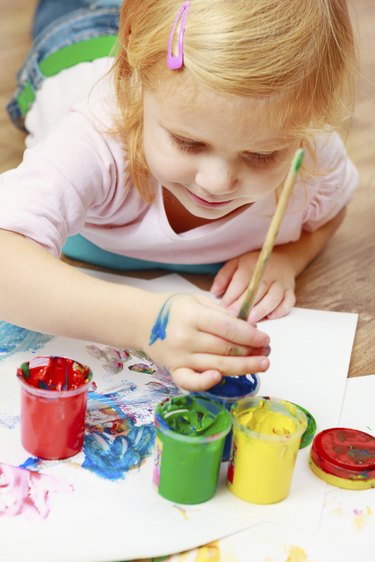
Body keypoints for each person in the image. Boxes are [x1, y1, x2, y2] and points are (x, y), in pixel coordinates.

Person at [0, 0, 358, 391]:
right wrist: (147, 322)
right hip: (78, 38)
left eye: (260, 155)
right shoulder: (97, 139)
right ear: (131, 82)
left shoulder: (311, 158)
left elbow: (332, 210)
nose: (217, 182)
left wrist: (289, 259)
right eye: (188, 143)